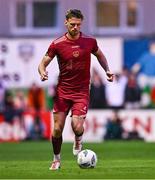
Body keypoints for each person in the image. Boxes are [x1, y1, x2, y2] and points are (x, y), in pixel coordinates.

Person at [38, 9, 114, 170]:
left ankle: (78, 139)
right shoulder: (57, 44)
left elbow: (100, 55)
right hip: (62, 92)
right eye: (72, 24)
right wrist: (42, 71)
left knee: (77, 126)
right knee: (57, 129)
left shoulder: (90, 41)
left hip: (81, 91)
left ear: (81, 24)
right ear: (66, 23)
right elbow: (42, 63)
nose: (75, 27)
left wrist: (107, 69)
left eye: (78, 25)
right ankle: (56, 159)